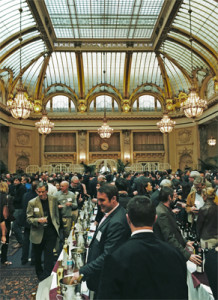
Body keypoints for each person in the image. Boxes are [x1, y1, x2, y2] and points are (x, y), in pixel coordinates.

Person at [97, 196, 188, 300]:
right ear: (155, 219)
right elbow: (182, 294)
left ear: (128, 219)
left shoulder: (115, 258)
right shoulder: (175, 254)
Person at [70, 183, 131, 296]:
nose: (99, 203)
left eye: (102, 200)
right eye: (98, 200)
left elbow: (108, 256)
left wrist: (83, 271)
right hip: (99, 274)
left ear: (113, 199)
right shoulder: (110, 212)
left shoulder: (117, 222)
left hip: (107, 279)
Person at [154, 186, 202, 265]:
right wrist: (187, 255)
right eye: (174, 195)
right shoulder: (162, 212)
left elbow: (174, 230)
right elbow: (169, 237)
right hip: (168, 253)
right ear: (169, 197)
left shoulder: (164, 209)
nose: (175, 196)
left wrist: (185, 242)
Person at [26, 182, 60, 281]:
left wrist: (57, 225)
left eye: (43, 192)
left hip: (50, 231)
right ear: (36, 191)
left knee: (49, 254)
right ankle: (40, 274)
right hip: (37, 232)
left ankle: (47, 275)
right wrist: (38, 220)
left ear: (47, 191)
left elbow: (56, 214)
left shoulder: (53, 199)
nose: (41, 194)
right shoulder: (32, 202)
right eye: (39, 192)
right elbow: (29, 219)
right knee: (37, 255)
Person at [21, 181, 38, 265]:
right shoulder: (36, 197)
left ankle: (24, 259)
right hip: (33, 220)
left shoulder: (25, 195)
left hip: (26, 220)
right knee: (34, 240)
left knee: (26, 241)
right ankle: (34, 260)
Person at [0, 182, 15, 265]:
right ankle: (4, 259)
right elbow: (12, 209)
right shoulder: (8, 198)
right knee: (5, 240)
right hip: (5, 221)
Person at [11, 176, 26, 248]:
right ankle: (21, 241)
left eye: (16, 180)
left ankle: (21, 242)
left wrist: (11, 198)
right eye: (14, 180)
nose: (15, 182)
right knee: (17, 226)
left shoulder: (21, 188)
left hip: (19, 208)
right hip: (17, 208)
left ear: (19, 181)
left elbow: (19, 199)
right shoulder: (16, 187)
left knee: (15, 226)